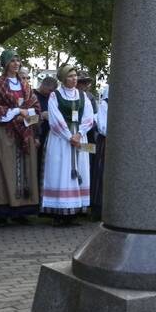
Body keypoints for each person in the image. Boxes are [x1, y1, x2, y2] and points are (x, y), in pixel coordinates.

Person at [0, 50, 41, 226]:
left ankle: (21, 211)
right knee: (6, 170)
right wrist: (18, 112)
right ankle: (4, 212)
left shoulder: (25, 85)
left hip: (25, 132)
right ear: (5, 64)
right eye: (12, 60)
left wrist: (25, 116)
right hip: (6, 133)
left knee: (26, 170)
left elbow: (36, 109)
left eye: (18, 60)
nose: (16, 63)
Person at [41, 64, 94, 225]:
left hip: (79, 138)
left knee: (80, 171)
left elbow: (89, 117)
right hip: (60, 140)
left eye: (75, 76)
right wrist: (69, 135)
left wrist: (79, 134)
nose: (74, 79)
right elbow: (54, 117)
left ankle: (74, 211)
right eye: (70, 76)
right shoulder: (54, 96)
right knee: (60, 171)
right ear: (63, 79)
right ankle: (59, 213)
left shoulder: (82, 96)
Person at [92, 85, 109, 218]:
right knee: (102, 173)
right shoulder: (105, 104)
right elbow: (103, 127)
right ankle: (100, 208)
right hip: (107, 143)